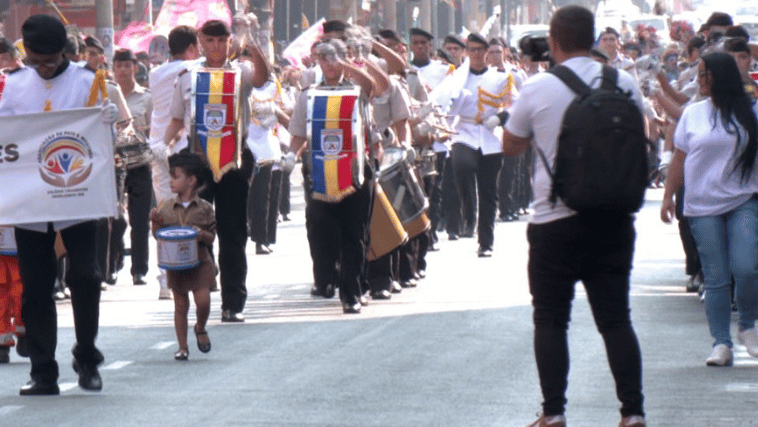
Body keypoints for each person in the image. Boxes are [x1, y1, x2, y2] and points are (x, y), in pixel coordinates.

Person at [502, 6, 646, 426]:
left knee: (550, 319)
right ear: (595, 37)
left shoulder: (537, 87)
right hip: (615, 218)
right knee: (616, 318)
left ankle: (553, 413)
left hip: (554, 221)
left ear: (554, 40)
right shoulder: (623, 83)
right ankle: (632, 412)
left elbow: (511, 146)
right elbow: (644, 135)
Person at [0, 14, 118, 395]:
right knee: (35, 288)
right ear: (27, 53)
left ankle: (87, 357)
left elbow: (102, 144)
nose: (43, 67)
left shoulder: (87, 81)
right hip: (31, 202)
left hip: (76, 196)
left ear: (62, 52)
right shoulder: (15, 86)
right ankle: (43, 370)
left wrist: (107, 122)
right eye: (36, 60)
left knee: (85, 275)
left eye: (49, 60)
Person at [163, 19, 269, 322]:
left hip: (234, 159)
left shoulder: (240, 73)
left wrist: (252, 47)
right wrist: (161, 146)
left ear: (230, 42)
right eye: (210, 41)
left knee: (233, 232)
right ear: (200, 42)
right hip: (197, 160)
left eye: (222, 41)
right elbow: (176, 120)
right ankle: (199, 289)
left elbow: (262, 78)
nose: (216, 48)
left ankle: (232, 301)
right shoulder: (187, 76)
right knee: (194, 227)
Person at [661, 51, 758, 367]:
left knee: (745, 268)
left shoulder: (752, 112)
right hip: (702, 205)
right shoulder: (693, 113)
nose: (700, 80)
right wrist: (667, 197)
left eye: (706, 74)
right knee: (716, 277)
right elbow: (680, 156)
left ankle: (748, 326)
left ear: (723, 76)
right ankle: (721, 343)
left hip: (744, 199)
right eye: (699, 74)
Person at [289, 38, 381, 313]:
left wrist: (348, 66)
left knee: (355, 234)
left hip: (355, 171)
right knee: (323, 228)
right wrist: (289, 156)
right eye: (323, 58)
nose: (328, 64)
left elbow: (372, 86)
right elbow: (297, 133)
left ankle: (351, 294)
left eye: (334, 57)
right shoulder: (309, 94)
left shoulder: (356, 90)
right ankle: (328, 277)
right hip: (321, 174)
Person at [448, 33, 516, 257]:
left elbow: (516, 105)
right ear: (467, 51)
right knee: (463, 165)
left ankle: (486, 241)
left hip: (489, 135)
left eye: (480, 49)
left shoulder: (500, 78)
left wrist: (501, 118)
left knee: (488, 192)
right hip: (464, 131)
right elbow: (443, 103)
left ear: (487, 52)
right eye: (472, 49)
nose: (476, 53)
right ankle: (469, 212)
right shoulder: (457, 76)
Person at [149, 25, 200, 300]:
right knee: (190, 212)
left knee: (164, 214)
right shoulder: (194, 68)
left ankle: (165, 279)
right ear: (192, 49)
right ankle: (187, 271)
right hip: (182, 149)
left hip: (158, 149)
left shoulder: (154, 73)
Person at [150, 152, 215, 361]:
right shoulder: (166, 207)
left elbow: (212, 237)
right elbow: (158, 236)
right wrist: (155, 222)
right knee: (180, 305)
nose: (171, 181)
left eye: (176, 177)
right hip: (176, 265)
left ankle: (200, 326)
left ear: (191, 180)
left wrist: (201, 234)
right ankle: (182, 347)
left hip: (200, 262)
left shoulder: (205, 208)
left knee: (203, 301)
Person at [113, 48, 153, 286]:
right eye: (119, 65)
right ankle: (114, 261)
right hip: (114, 162)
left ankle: (139, 269)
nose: (124, 70)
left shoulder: (146, 98)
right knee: (116, 217)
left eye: (128, 65)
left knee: (139, 220)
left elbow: (155, 127)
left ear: (135, 68)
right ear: (113, 68)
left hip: (140, 162)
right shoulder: (106, 93)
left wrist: (136, 130)